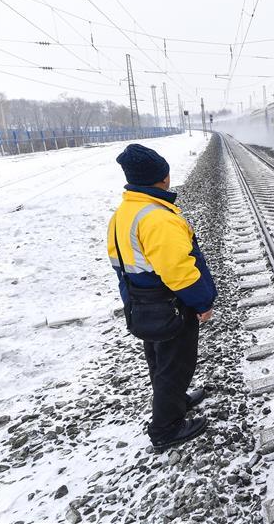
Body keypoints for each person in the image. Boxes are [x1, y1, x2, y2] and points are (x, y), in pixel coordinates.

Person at [107, 144, 218, 451]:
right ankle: (165, 428)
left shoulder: (125, 212)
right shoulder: (157, 217)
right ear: (163, 177)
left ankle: (174, 401)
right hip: (170, 304)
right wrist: (202, 302)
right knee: (176, 364)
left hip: (143, 302)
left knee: (159, 359)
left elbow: (121, 264)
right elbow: (179, 271)